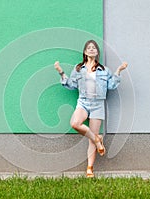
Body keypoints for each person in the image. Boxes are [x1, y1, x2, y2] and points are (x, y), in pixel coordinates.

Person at [54, 40, 128, 177]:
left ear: (97, 52)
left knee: (90, 141)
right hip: (83, 102)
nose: (92, 49)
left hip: (97, 104)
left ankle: (89, 168)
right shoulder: (78, 68)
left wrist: (118, 71)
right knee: (75, 123)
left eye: (94, 48)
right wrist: (61, 72)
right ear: (85, 52)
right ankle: (97, 138)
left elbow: (111, 86)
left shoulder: (104, 70)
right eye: (89, 47)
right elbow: (71, 85)